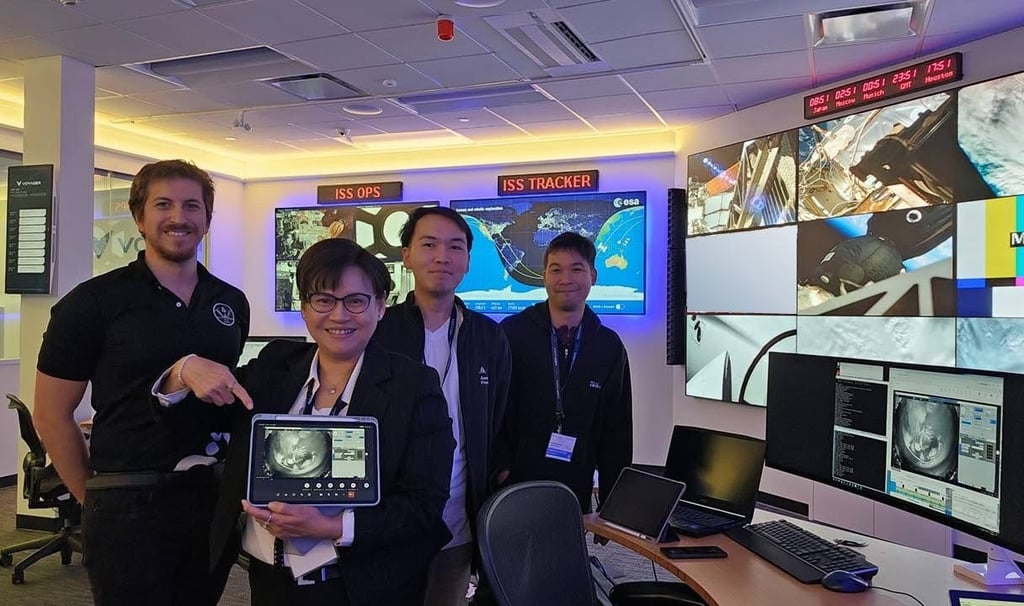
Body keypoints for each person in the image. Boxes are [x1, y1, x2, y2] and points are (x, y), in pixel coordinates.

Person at [173, 237, 454, 606]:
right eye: (323, 300)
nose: (339, 315)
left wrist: (331, 527)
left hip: (361, 588)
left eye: (356, 301)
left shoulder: (414, 386)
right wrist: (182, 371)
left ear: (380, 306)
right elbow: (200, 415)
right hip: (268, 582)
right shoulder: (274, 365)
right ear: (304, 307)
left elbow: (424, 505)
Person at [33, 159, 250, 605]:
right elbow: (51, 414)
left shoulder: (230, 302)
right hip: (127, 501)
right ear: (139, 217)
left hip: (210, 499)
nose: (179, 217)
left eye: (192, 206)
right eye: (163, 204)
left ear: (208, 218)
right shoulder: (92, 303)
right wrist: (93, 497)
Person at [372, 207, 511, 606]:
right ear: (406, 255)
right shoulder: (379, 330)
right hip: (388, 518)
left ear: (467, 260)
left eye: (455, 247)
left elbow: (499, 418)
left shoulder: (488, 336)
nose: (442, 257)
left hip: (457, 518)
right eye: (429, 244)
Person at [497, 231, 633, 512]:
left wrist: (612, 504)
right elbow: (491, 409)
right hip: (513, 484)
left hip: (575, 485)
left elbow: (617, 430)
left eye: (577, 269)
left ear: (593, 276)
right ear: (544, 277)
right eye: (556, 270)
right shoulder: (511, 333)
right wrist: (499, 468)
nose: (565, 279)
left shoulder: (608, 346)